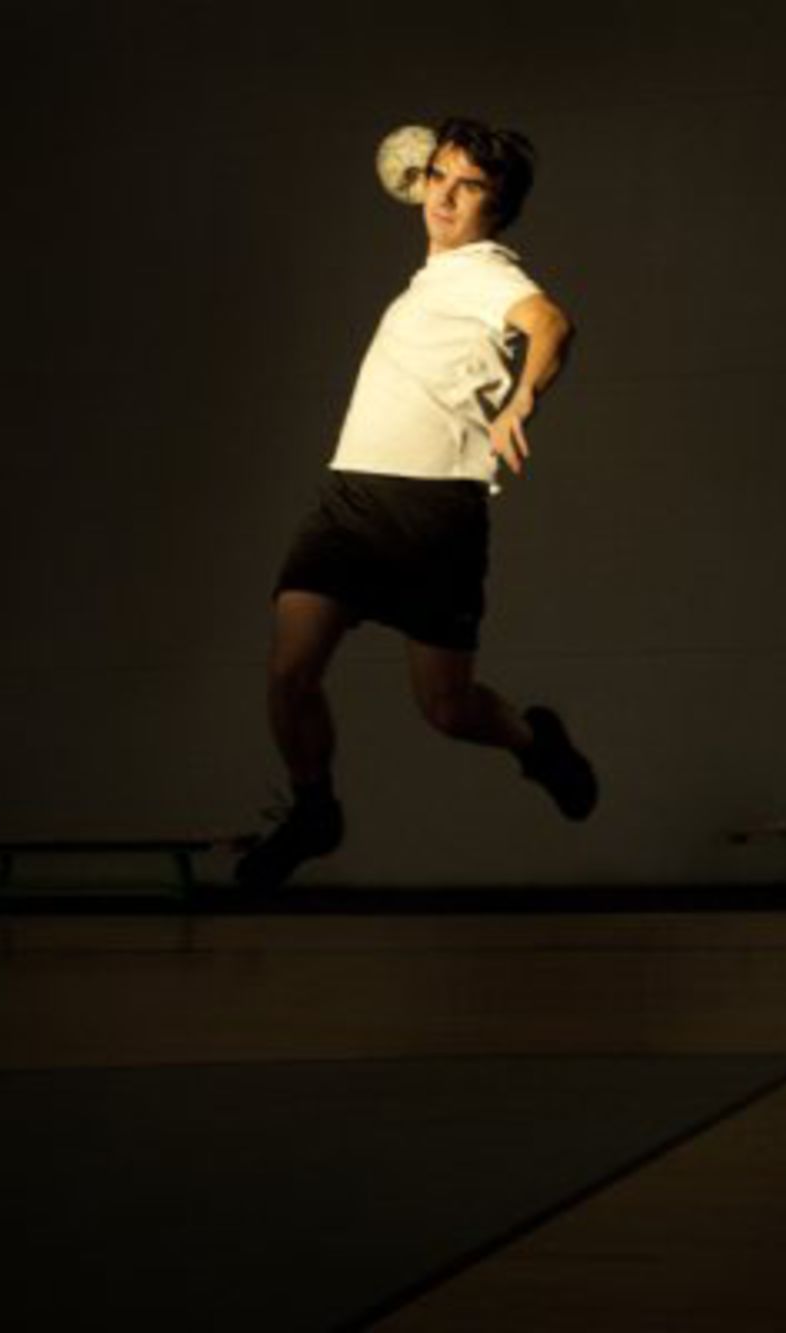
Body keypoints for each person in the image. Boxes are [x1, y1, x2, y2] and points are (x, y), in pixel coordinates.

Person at [237, 117, 596, 889]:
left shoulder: (484, 271)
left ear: (494, 208)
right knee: (289, 672)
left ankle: (536, 744)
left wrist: (523, 396)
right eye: (439, 177)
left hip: (433, 512)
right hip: (351, 497)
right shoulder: (427, 283)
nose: (446, 196)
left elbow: (549, 322)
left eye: (469, 187)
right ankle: (313, 809)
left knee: (446, 707)